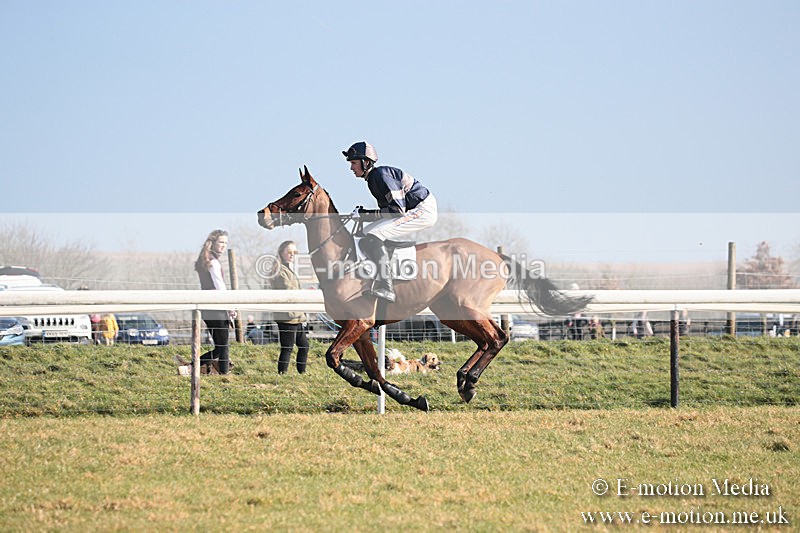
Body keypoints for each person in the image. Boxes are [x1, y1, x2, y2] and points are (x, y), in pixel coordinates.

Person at [343, 141, 438, 302]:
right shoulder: (372, 179)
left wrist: (365, 214)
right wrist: (364, 215)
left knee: (374, 235)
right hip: (410, 209)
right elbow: (386, 213)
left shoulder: (380, 175)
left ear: (366, 162)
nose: (351, 167)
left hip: (423, 210)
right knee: (363, 234)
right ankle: (375, 274)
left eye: (353, 163)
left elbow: (396, 211)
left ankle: (387, 287)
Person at [194, 229, 236, 375]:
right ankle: (194, 367)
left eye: (226, 243)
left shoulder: (204, 260)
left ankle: (195, 367)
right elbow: (220, 287)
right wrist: (230, 307)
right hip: (216, 308)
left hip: (207, 308)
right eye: (221, 242)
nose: (224, 246)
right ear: (213, 243)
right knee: (223, 347)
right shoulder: (213, 262)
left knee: (220, 346)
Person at [271, 240, 309, 374]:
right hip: (287, 316)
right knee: (287, 348)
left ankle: (301, 373)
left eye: (295, 252)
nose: (292, 255)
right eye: (289, 252)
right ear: (281, 253)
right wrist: (305, 292)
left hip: (296, 316)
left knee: (304, 346)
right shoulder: (279, 270)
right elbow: (287, 288)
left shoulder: (288, 269)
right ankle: (282, 374)